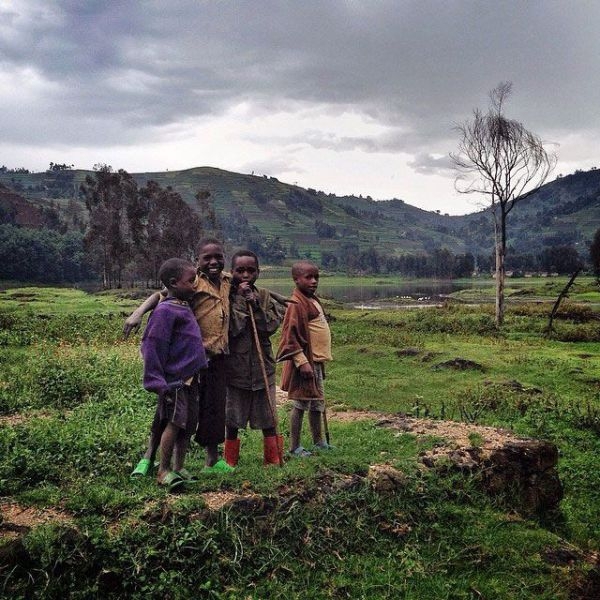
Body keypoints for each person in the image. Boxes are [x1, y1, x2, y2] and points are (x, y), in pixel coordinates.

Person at [125, 238, 233, 473]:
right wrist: (138, 313)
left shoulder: (227, 280)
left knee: (212, 407)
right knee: (170, 412)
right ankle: (149, 457)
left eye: (218, 257)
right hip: (189, 359)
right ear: (198, 262)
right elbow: (159, 296)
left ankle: (211, 460)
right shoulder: (192, 282)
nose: (213, 262)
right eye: (207, 258)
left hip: (216, 354)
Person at [137, 258, 208, 490]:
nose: (195, 285)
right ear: (173, 283)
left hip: (191, 378)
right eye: (190, 281)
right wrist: (157, 382)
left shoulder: (183, 304)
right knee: (174, 423)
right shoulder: (165, 311)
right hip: (174, 381)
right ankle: (163, 470)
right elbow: (153, 346)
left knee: (188, 425)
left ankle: (179, 467)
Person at [223, 250, 288, 467]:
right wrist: (241, 301)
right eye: (240, 270)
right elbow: (233, 329)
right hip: (236, 369)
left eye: (251, 270)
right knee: (232, 417)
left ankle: (273, 457)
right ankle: (230, 459)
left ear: (258, 272)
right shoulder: (227, 299)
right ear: (232, 273)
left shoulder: (266, 297)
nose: (245, 275)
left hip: (262, 369)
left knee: (268, 414)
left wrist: (256, 304)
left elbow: (269, 327)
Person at [277, 261, 333, 457]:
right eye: (308, 277)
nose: (314, 281)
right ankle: (294, 447)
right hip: (305, 364)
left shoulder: (312, 300)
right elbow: (290, 337)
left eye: (316, 277)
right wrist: (302, 362)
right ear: (296, 280)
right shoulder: (296, 304)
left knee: (317, 402)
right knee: (300, 403)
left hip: (316, 362)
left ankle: (319, 441)